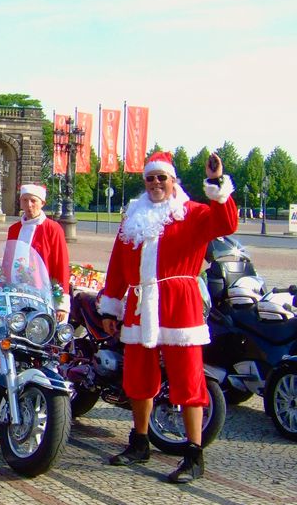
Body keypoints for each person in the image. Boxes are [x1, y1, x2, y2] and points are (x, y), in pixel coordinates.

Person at [99, 151, 237, 483]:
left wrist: (217, 184)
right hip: (137, 304)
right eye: (150, 178)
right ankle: (140, 440)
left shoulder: (192, 212)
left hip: (178, 303)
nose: (156, 183)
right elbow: (118, 262)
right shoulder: (133, 215)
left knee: (188, 378)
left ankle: (193, 453)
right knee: (138, 377)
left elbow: (226, 223)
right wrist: (110, 305)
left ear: (173, 180)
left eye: (162, 178)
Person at [6, 184, 70, 320]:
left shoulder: (53, 228)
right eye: (24, 200)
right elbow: (8, 260)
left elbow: (61, 264)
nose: (29, 205)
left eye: (33, 201)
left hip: (43, 292)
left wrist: (61, 304)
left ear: (42, 203)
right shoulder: (14, 229)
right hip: (17, 291)